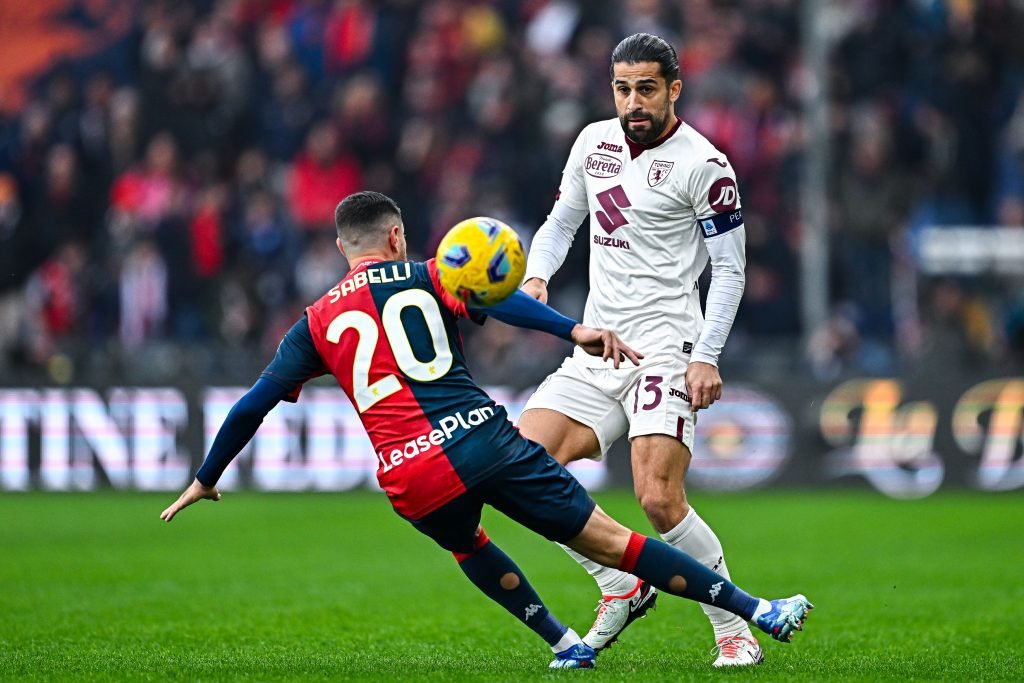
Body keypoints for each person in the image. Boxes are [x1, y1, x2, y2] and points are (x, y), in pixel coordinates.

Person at [160, 191, 812, 669]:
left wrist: (205, 477)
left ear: (341, 248)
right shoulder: (426, 274)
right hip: (478, 437)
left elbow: (251, 405)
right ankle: (757, 610)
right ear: (395, 237)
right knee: (614, 539)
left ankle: (564, 644)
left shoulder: (314, 322)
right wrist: (572, 329)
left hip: (408, 476)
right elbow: (497, 298)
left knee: (470, 544)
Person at [519, 33, 760, 667]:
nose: (633, 102)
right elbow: (562, 221)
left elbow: (729, 271)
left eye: (646, 89)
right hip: (600, 343)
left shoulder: (705, 165)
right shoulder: (592, 143)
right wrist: (538, 275)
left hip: (666, 346)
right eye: (623, 88)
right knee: (516, 471)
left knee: (657, 499)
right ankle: (619, 584)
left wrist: (706, 355)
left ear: (674, 89)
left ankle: (734, 632)